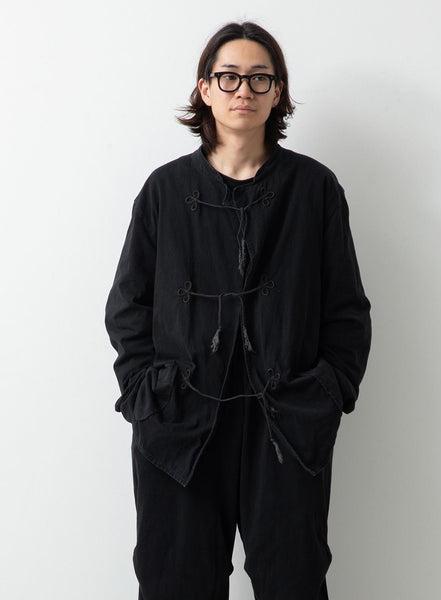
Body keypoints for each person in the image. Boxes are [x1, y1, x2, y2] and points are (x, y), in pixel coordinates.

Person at [105, 20, 371, 600]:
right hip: (179, 419)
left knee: (293, 582)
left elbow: (347, 311)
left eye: (258, 78)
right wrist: (148, 395)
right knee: (174, 582)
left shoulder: (315, 189)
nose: (242, 90)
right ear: (205, 88)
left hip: (287, 423)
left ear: (278, 92)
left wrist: (326, 394)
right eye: (228, 77)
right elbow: (127, 305)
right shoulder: (164, 190)